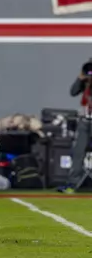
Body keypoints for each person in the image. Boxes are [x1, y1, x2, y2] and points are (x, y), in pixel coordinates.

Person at [58, 60, 92, 193]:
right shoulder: (85, 83)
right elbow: (73, 92)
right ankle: (73, 184)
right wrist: (81, 78)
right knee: (78, 153)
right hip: (84, 121)